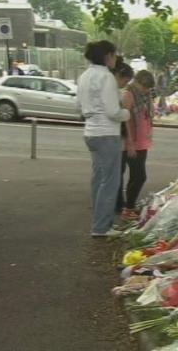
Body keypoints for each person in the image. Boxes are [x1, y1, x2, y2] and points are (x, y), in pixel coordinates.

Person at [77, 40, 130, 237]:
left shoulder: (84, 76)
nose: (116, 59)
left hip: (91, 132)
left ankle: (101, 222)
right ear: (107, 55)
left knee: (98, 179)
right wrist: (127, 112)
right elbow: (113, 112)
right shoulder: (106, 77)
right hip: (107, 133)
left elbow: (78, 106)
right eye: (114, 55)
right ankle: (101, 226)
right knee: (110, 182)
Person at [116, 70, 156, 221]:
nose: (147, 91)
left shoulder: (145, 95)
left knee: (136, 175)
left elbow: (148, 114)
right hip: (131, 142)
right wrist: (130, 142)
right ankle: (128, 208)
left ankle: (130, 206)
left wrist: (149, 97)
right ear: (138, 83)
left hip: (142, 141)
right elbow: (124, 120)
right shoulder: (129, 94)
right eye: (145, 87)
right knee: (140, 176)